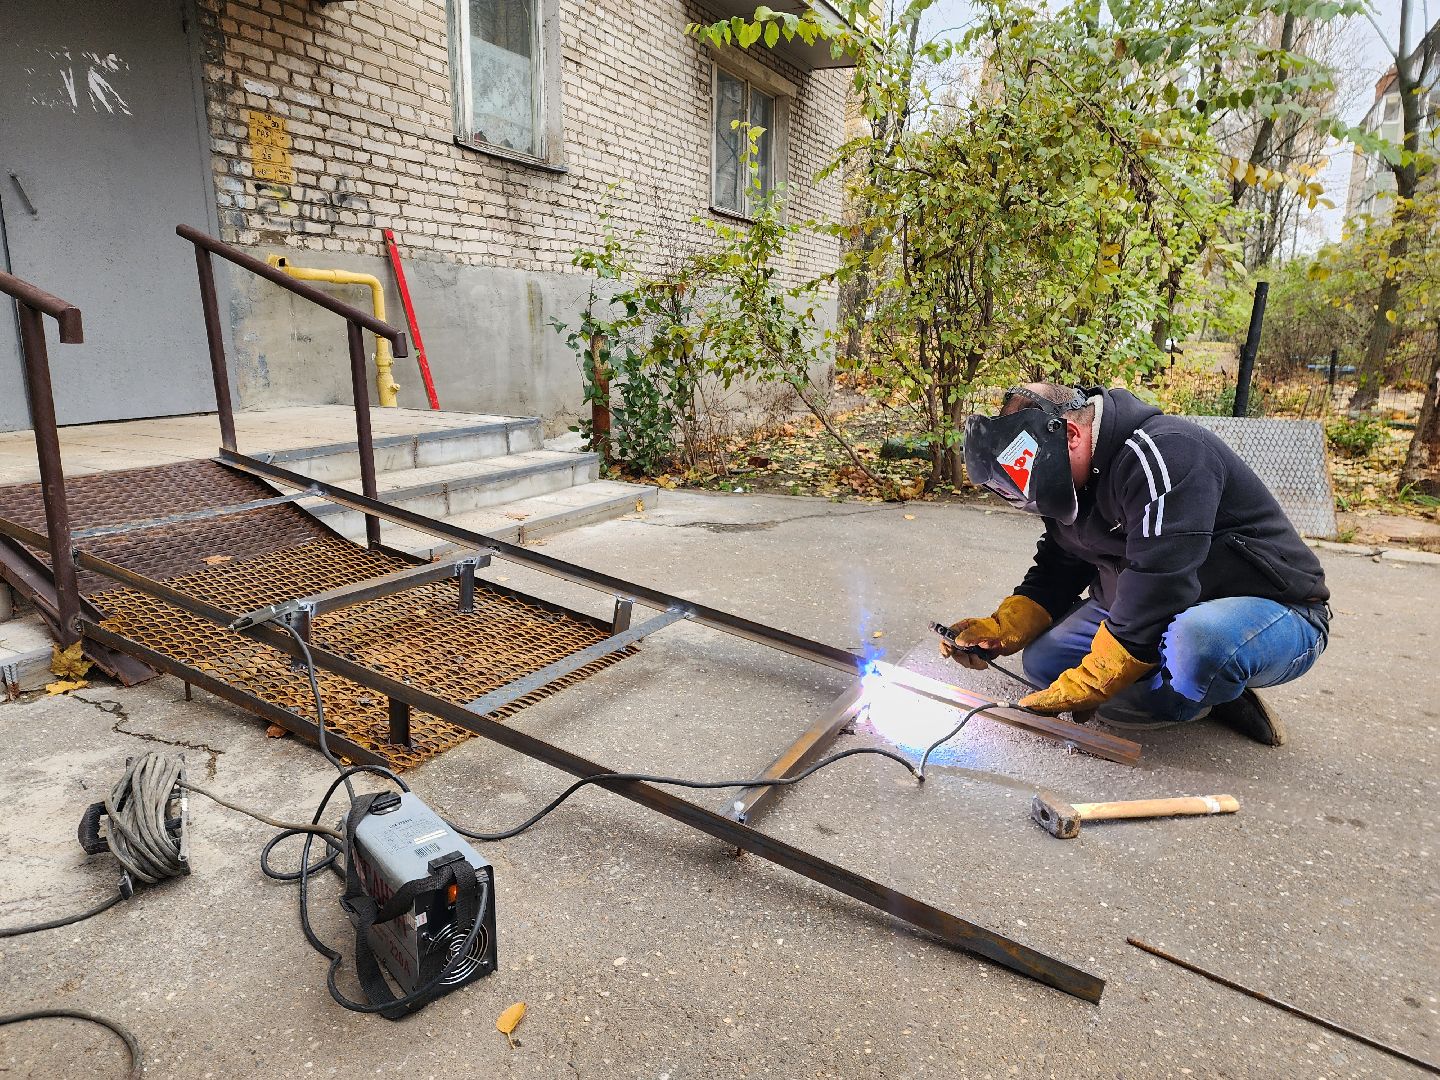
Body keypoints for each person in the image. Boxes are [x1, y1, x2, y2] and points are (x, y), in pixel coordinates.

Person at [942, 383, 1331, 745]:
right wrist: (1002, 627)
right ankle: (1184, 675)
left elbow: (1162, 577)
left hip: (1271, 609)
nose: (1035, 498)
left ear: (1071, 435)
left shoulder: (1167, 453)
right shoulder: (1068, 476)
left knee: (1192, 653)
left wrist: (1100, 677)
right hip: (1163, 603)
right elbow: (1060, 563)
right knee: (1045, 664)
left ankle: (1206, 684)